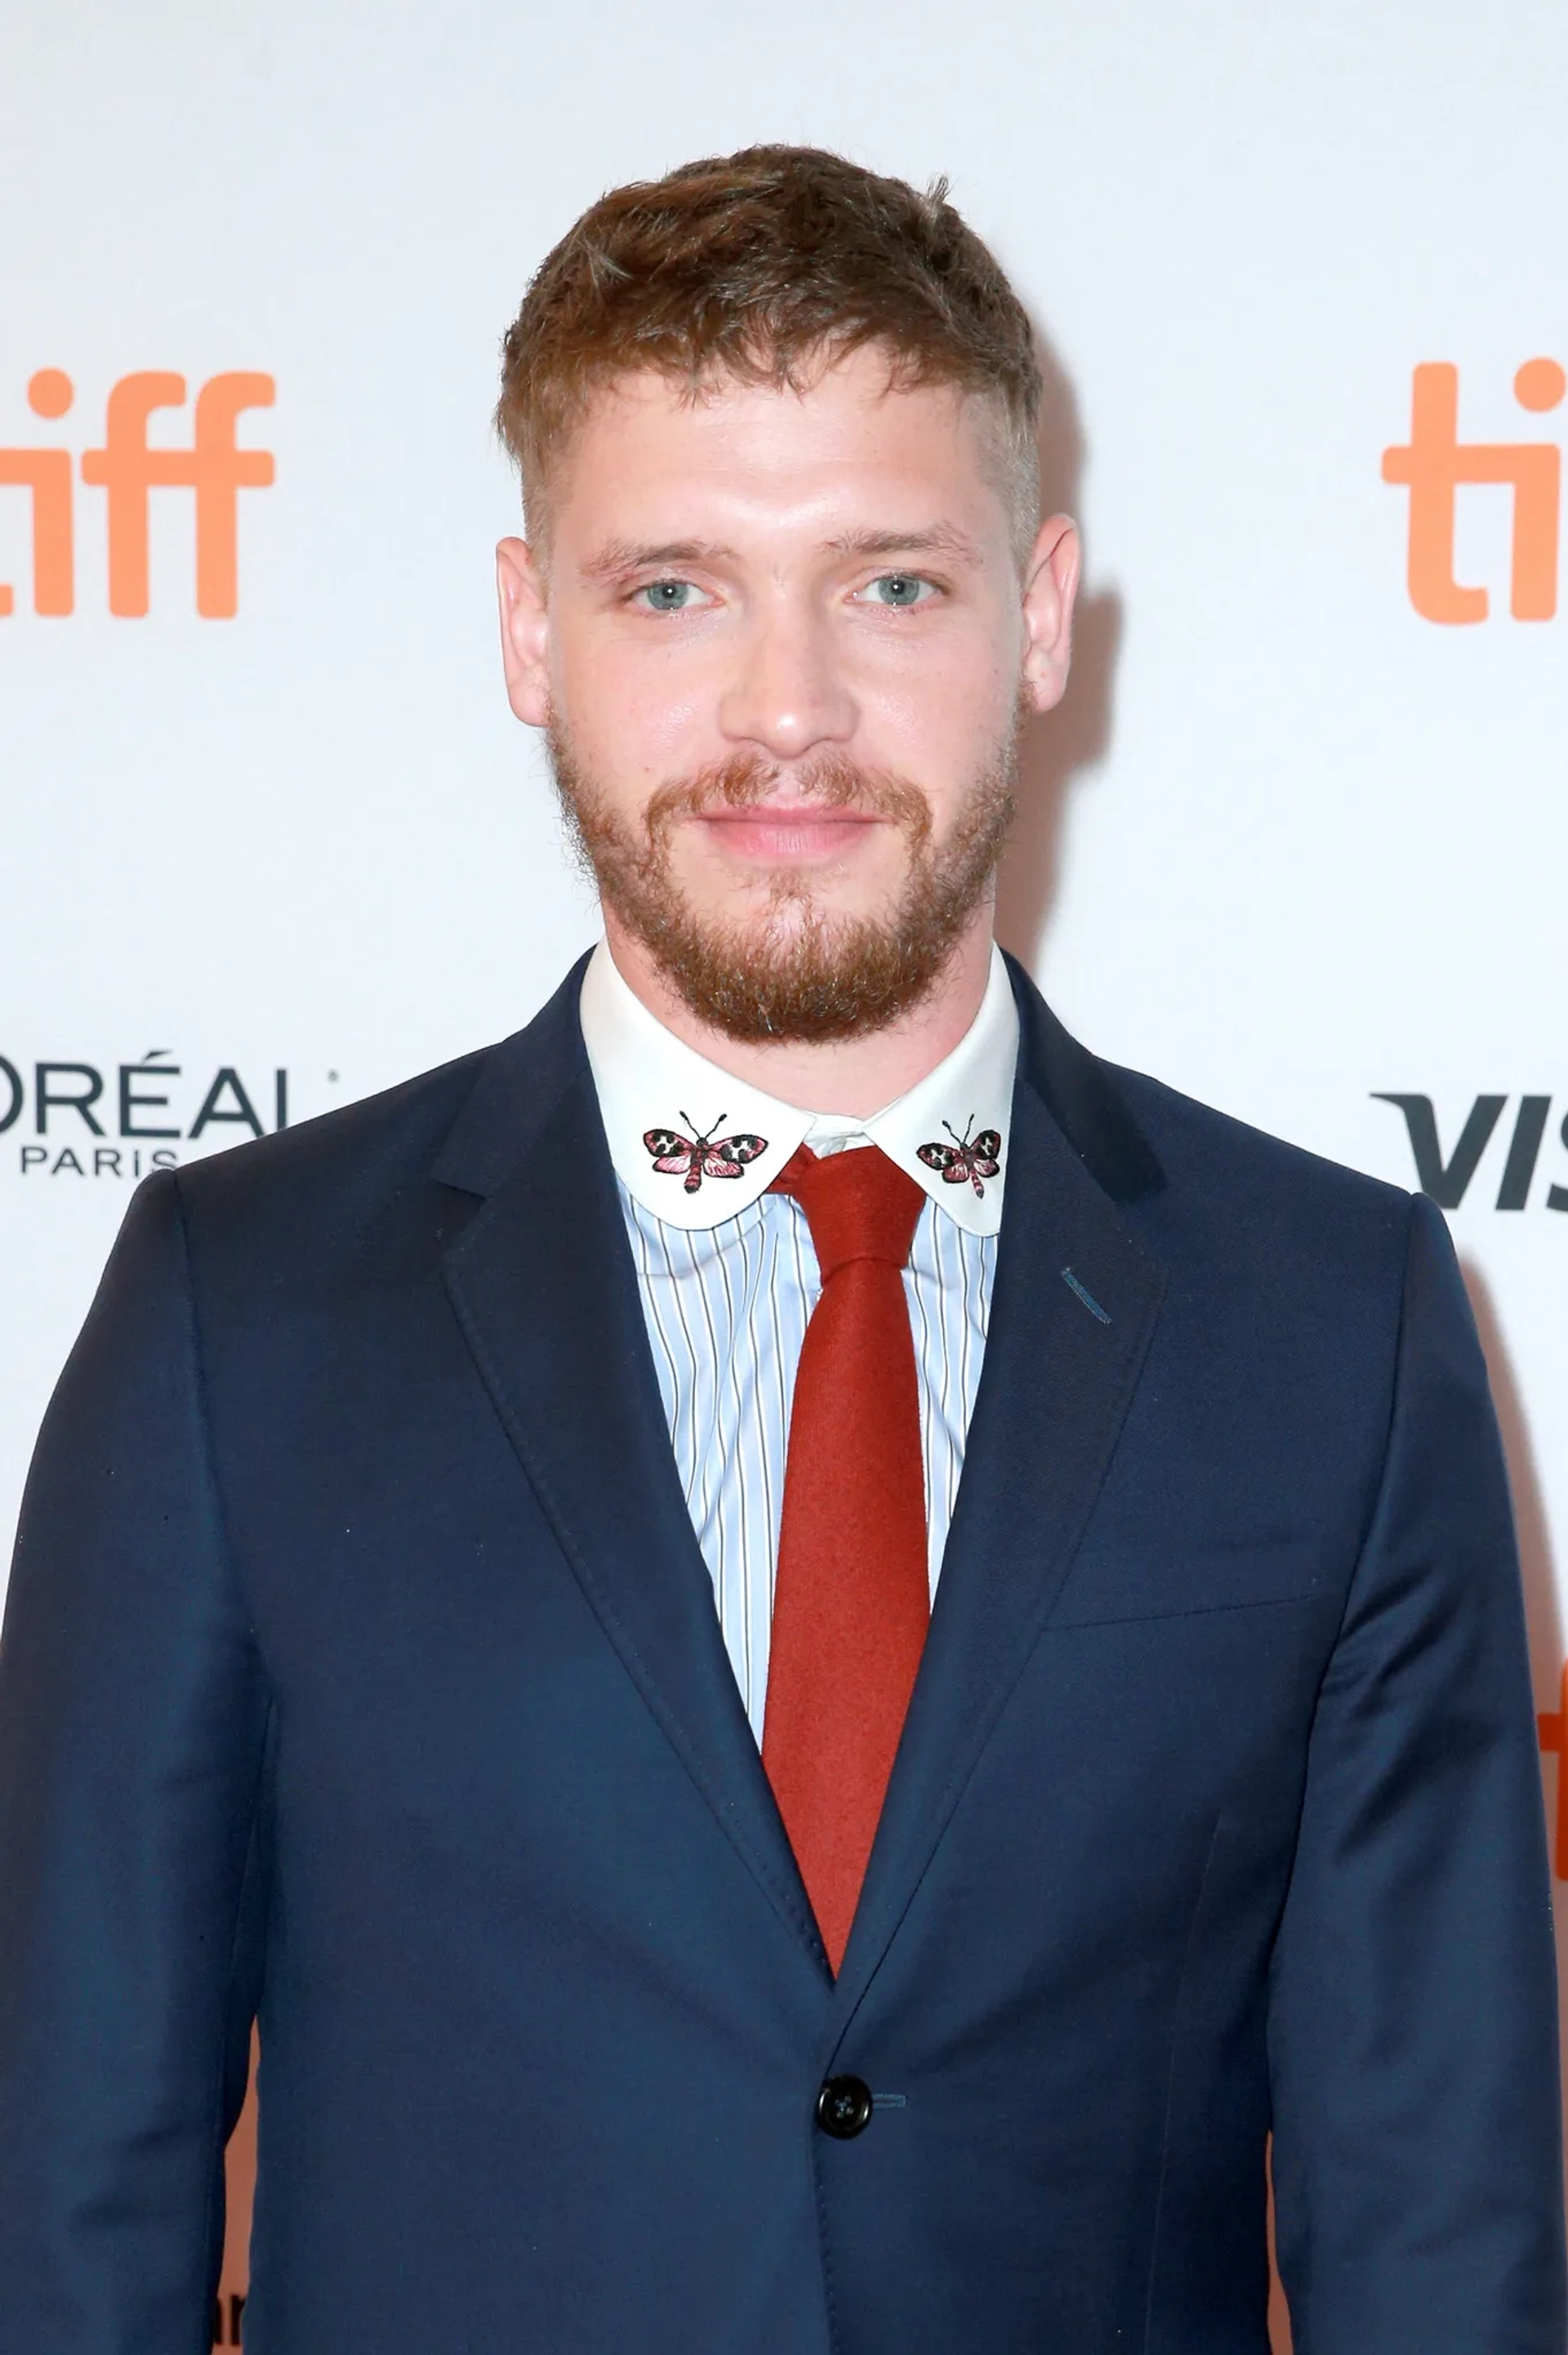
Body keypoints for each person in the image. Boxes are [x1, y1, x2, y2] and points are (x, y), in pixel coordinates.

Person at [0, 145, 1561, 2355]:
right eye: (675, 590)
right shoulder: (232, 1316)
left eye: (890, 586)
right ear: (531, 629)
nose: (789, 713)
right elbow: (76, 2192)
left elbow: (1445, 2229)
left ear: (1038, 611)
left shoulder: (1342, 1320)